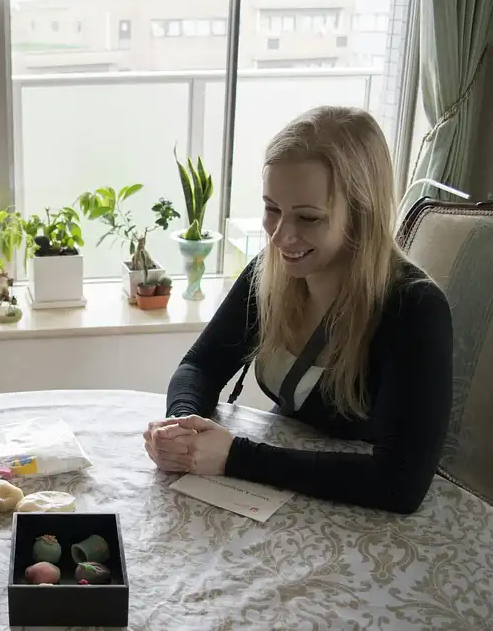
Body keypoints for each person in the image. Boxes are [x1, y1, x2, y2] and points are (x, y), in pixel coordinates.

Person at [143, 105, 453, 514]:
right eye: (272, 209)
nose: (281, 236)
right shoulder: (269, 273)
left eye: (308, 217)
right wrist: (183, 427)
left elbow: (401, 483)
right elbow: (201, 365)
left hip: (366, 516)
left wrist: (236, 457)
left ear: (361, 214)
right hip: (286, 492)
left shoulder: (414, 308)